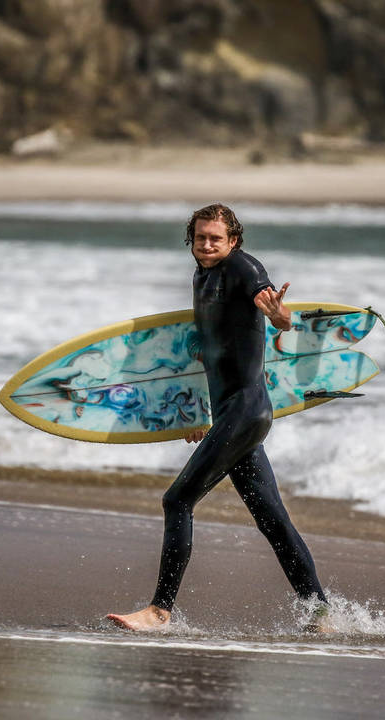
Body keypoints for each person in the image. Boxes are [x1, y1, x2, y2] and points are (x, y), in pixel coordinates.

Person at [107, 203, 329, 632]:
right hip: (232, 414)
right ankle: (322, 614)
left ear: (234, 241)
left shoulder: (245, 269)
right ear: (191, 239)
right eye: (200, 237)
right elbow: (207, 350)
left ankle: (159, 612)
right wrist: (197, 410)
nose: (207, 245)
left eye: (216, 238)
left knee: (177, 500)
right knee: (275, 523)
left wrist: (279, 313)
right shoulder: (200, 276)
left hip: (247, 411)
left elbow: (282, 319)